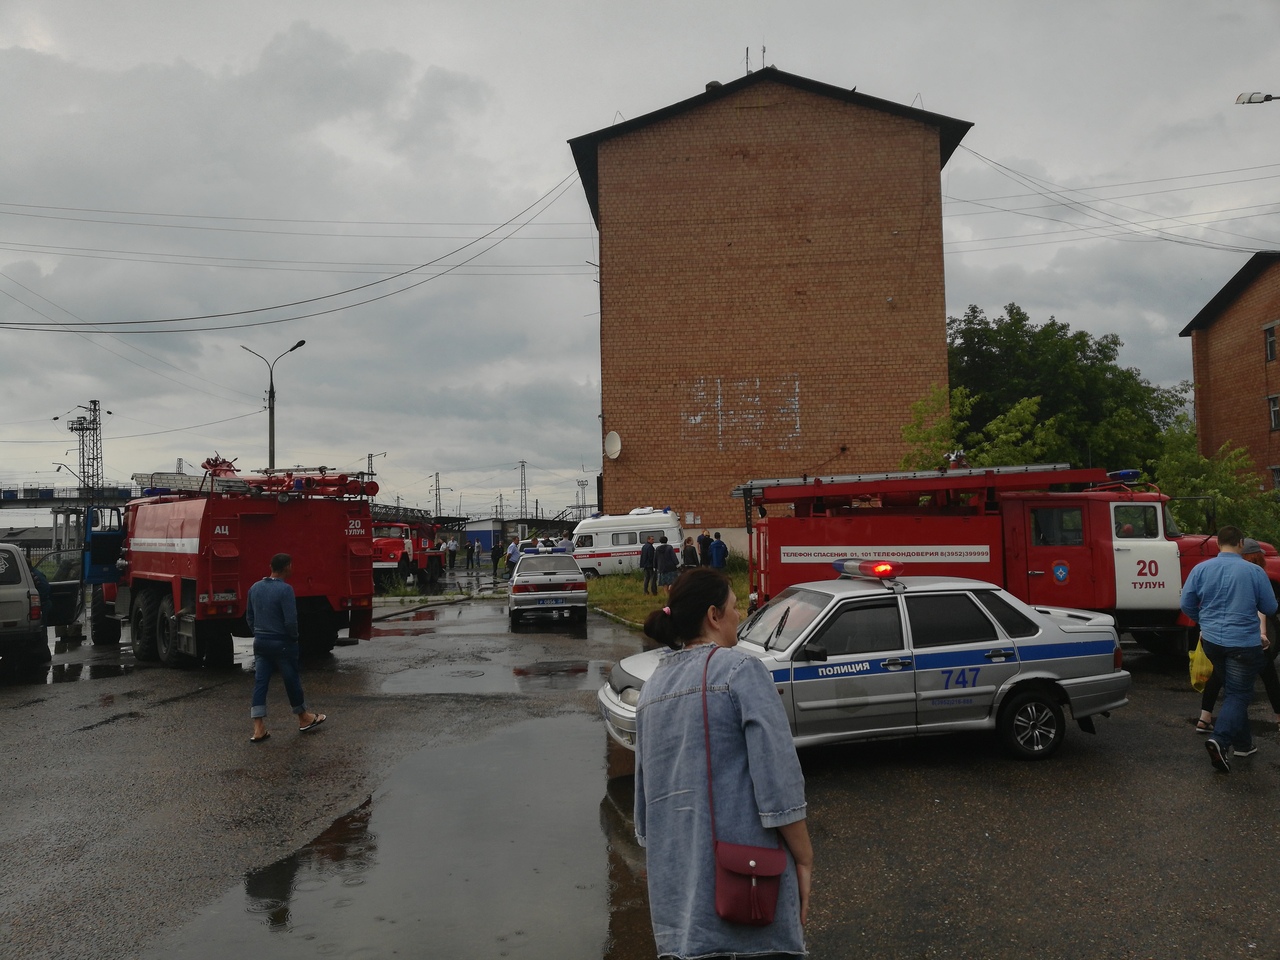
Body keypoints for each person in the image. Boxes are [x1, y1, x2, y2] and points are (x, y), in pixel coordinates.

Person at [634, 568, 811, 958]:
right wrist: (805, 859)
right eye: (734, 608)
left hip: (679, 913)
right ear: (713, 616)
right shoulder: (741, 672)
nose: (739, 616)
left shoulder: (652, 688)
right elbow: (778, 783)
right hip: (746, 894)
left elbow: (646, 812)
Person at [1182, 526, 1278, 773]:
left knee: (1235, 690)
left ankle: (1244, 745)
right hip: (1243, 644)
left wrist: (1204, 620)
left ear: (1217, 544)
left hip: (1212, 642)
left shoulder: (1201, 569)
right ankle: (1220, 740)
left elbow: (1186, 603)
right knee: (1239, 694)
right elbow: (1269, 606)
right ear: (1240, 543)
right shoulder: (1255, 572)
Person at [1196, 538, 1280, 734]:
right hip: (1246, 638)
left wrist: (1205, 627)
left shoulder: (1219, 571)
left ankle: (1204, 717)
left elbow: (1205, 603)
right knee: (1267, 677)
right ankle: (1277, 718)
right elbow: (1263, 608)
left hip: (1217, 636)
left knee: (1218, 674)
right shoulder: (1255, 574)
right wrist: (1263, 633)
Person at [247, 553, 326, 743]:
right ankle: (303, 717)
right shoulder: (286, 590)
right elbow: (290, 621)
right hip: (282, 642)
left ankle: (258, 727)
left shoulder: (254, 588)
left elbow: (249, 617)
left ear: (271, 566)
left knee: (260, 682)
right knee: (291, 679)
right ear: (287, 567)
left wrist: (258, 634)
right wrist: (294, 638)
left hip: (261, 642)